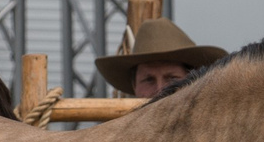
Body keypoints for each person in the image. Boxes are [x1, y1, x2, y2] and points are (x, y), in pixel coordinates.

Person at [95, 17, 226, 101]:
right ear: (134, 85)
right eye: (148, 80)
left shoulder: (213, 138)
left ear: (193, 81)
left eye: (172, 78)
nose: (160, 90)